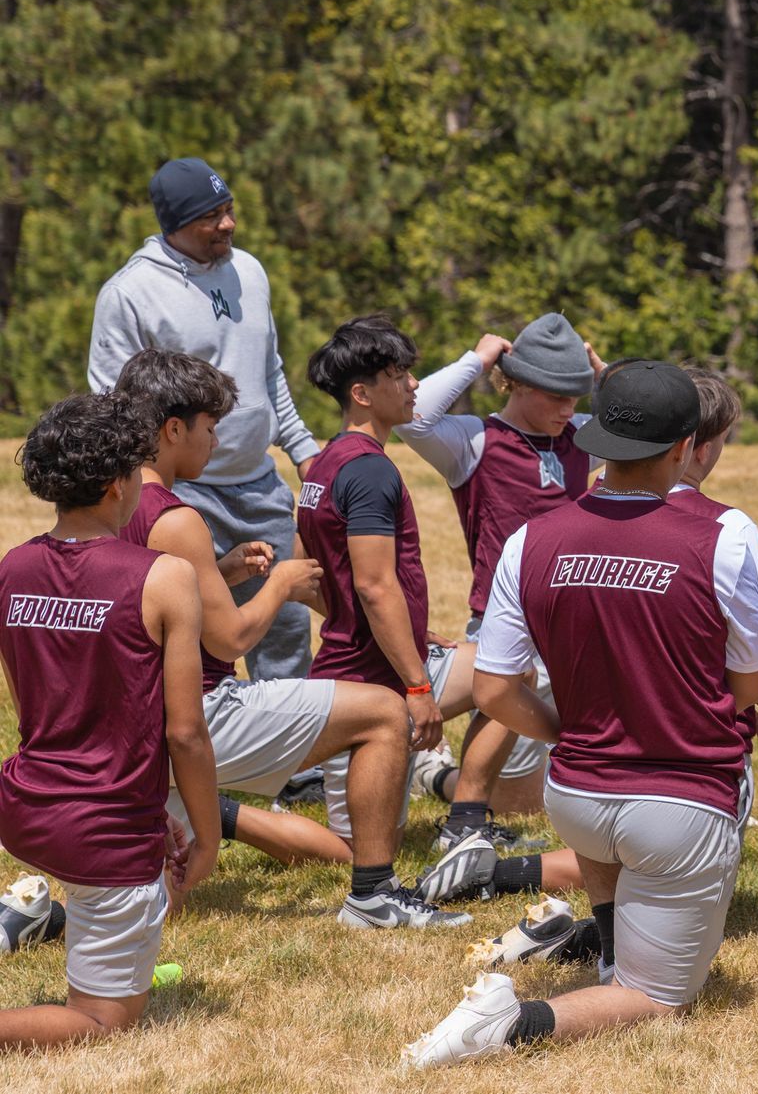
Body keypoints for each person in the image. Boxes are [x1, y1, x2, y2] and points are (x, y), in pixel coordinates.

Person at [402, 360, 758, 1068]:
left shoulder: (532, 539)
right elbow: (749, 682)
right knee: (658, 999)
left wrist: (562, 731)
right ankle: (510, 1021)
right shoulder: (721, 535)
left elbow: (495, 689)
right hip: (680, 797)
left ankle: (607, 951)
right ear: (683, 447)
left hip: (574, 795)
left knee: (618, 910)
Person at [114, 349, 446, 902]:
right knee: (385, 711)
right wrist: (281, 585)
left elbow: (146, 602)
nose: (215, 441)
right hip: (199, 713)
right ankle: (375, 896)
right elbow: (231, 638)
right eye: (210, 428)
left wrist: (221, 572)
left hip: (135, 720)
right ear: (174, 429)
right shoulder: (176, 517)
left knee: (151, 902)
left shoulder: (118, 501)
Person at [0, 392, 218, 1048]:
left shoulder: (11, 568)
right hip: (103, 831)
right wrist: (206, 837)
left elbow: (38, 705)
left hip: (24, 806)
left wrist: (152, 810)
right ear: (118, 482)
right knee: (102, 1022)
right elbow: (185, 731)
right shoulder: (165, 577)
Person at [87, 158, 320, 681]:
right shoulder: (129, 294)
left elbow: (269, 371)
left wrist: (304, 450)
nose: (228, 224)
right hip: (182, 496)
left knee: (284, 632)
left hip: (260, 486)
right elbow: (113, 406)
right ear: (174, 224)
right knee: (187, 641)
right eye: (211, 216)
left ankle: (289, 736)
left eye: (229, 209)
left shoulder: (250, 271)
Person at [293, 317, 491, 924]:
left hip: (360, 664)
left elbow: (312, 577)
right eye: (398, 375)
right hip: (369, 680)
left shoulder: (323, 464)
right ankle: (226, 817)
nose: (413, 385)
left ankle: (466, 811)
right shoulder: (371, 469)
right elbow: (375, 587)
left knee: (507, 670)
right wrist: (417, 685)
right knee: (355, 848)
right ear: (362, 393)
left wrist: (408, 631)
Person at [396, 314, 604, 845]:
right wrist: (478, 359)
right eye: (557, 396)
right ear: (518, 383)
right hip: (505, 622)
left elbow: (647, 426)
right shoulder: (475, 440)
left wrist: (601, 374)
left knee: (532, 800)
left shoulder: (581, 434)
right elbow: (411, 419)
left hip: (575, 626)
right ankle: (441, 784)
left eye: (576, 396)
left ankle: (444, 781)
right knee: (514, 800)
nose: (569, 409)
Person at [668, 366, 758, 822]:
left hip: (585, 769)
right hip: (704, 762)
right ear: (701, 450)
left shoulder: (589, 513)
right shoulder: (729, 529)